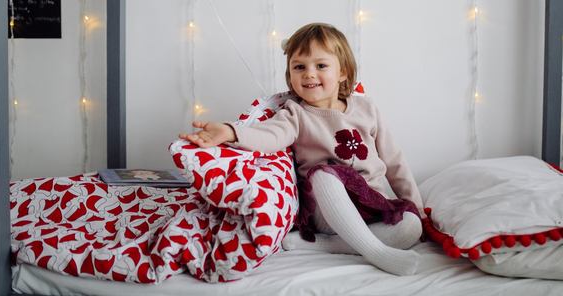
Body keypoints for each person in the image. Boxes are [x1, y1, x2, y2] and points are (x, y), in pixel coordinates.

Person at [179, 23, 423, 276]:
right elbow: (269, 136)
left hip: (371, 203)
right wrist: (231, 132)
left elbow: (395, 161)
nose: (308, 74)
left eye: (320, 66)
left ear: (343, 72)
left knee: (411, 227)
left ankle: (330, 246)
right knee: (325, 173)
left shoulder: (366, 109)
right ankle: (376, 252)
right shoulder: (295, 113)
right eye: (299, 67)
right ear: (290, 75)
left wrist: (416, 206)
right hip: (327, 210)